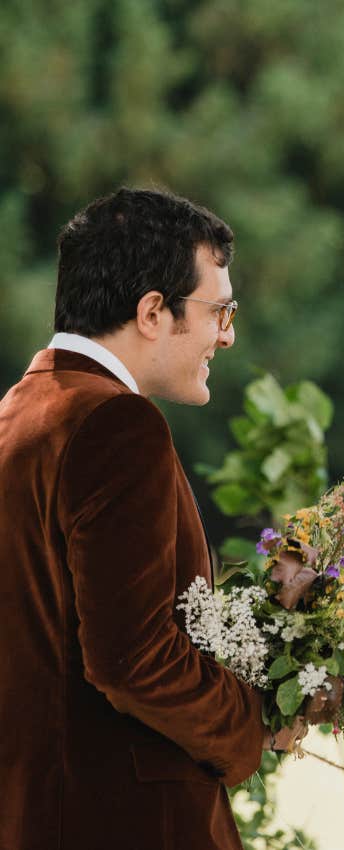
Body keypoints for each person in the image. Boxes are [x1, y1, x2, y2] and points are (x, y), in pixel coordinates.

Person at [0, 188, 269, 850]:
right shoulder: (118, 423)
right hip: (124, 820)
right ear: (153, 310)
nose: (228, 333)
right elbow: (133, 659)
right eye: (219, 310)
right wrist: (251, 724)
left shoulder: (17, 414)